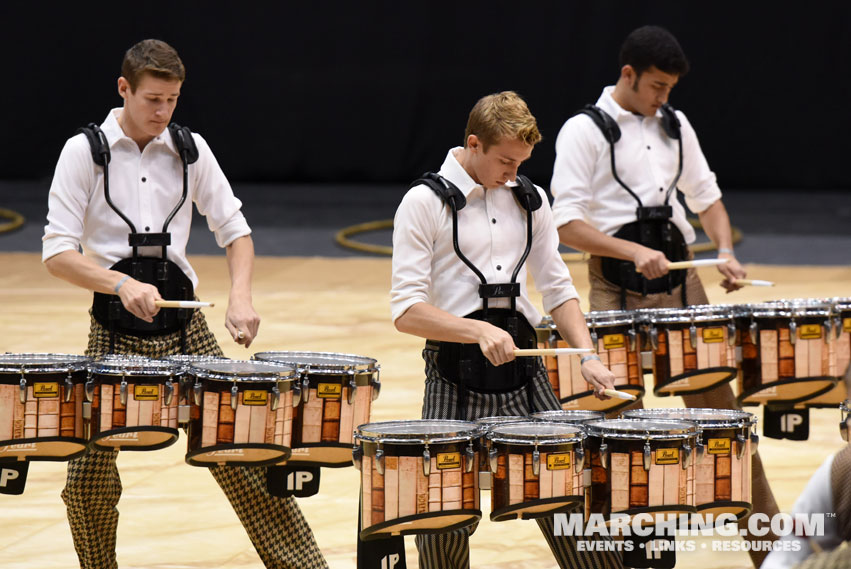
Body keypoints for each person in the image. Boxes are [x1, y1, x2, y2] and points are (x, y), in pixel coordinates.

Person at [42, 39, 327, 569]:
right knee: (87, 481)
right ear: (123, 88)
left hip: (185, 328)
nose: (163, 111)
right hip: (112, 330)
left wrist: (240, 297)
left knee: (244, 457)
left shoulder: (191, 149)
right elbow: (57, 254)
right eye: (153, 99)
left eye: (172, 99)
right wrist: (118, 284)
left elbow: (236, 232)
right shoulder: (83, 152)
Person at [549, 25, 778, 567]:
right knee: (622, 434)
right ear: (628, 74)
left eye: (670, 88)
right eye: (656, 86)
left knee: (729, 425)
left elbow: (708, 197)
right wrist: (630, 251)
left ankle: (773, 556)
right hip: (613, 286)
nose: (663, 97)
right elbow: (566, 226)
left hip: (682, 287)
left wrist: (724, 249)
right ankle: (639, 556)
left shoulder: (677, 124)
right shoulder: (582, 131)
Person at [391, 91, 621, 569]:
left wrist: (587, 355)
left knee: (569, 504)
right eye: (505, 161)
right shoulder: (423, 202)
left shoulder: (531, 200)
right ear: (474, 144)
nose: (513, 173)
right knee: (442, 515)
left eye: (521, 162)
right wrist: (475, 331)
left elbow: (558, 289)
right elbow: (407, 311)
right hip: (452, 373)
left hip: (526, 375)